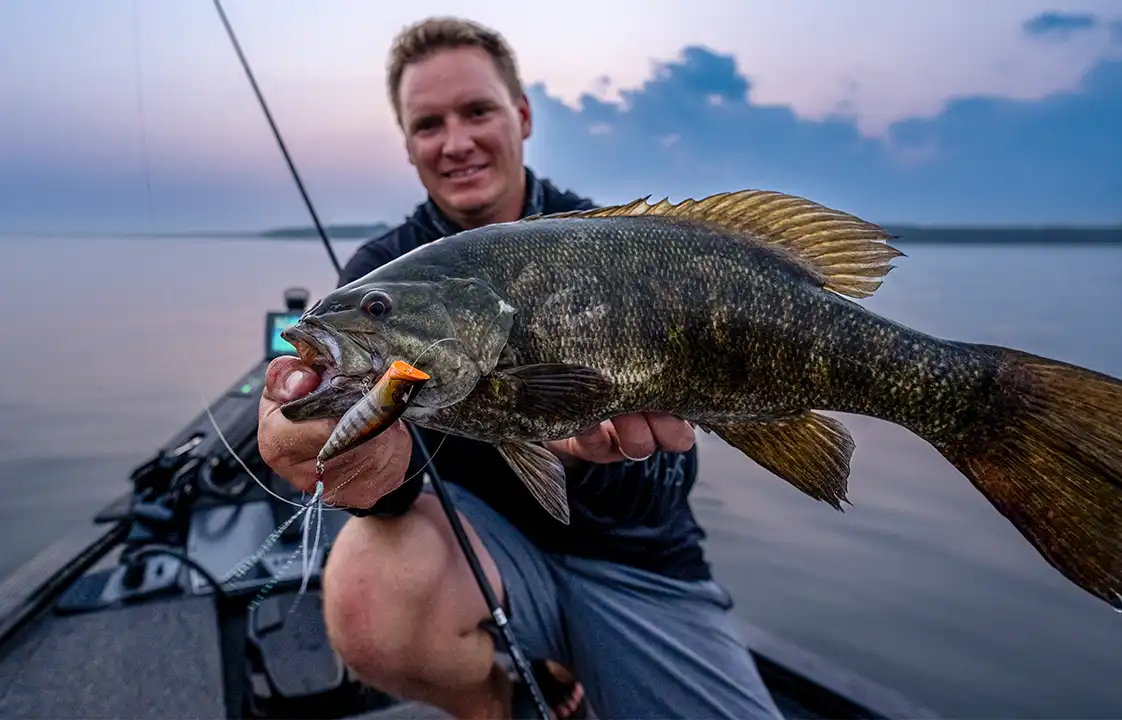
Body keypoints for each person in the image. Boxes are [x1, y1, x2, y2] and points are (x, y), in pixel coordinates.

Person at [257, 16, 784, 720]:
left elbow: (667, 481)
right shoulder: (381, 272)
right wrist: (362, 467)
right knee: (364, 588)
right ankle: (497, 707)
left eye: (477, 111)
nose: (456, 142)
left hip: (638, 563)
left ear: (523, 116)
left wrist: (582, 456)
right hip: (483, 556)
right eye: (428, 124)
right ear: (408, 146)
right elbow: (393, 482)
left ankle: (574, 655)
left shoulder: (613, 242)